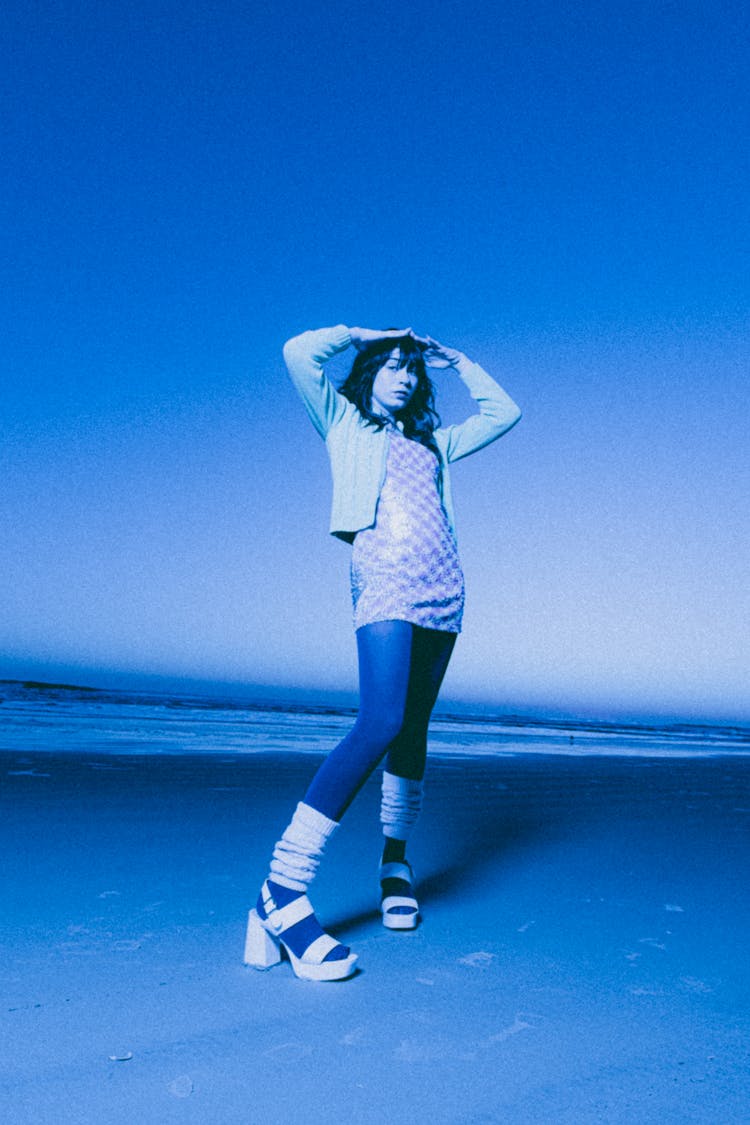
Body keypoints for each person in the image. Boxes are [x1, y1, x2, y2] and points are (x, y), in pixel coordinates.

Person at [243, 324, 521, 981]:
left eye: (409, 370)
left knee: (413, 727)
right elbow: (296, 352)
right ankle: (280, 890)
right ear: (368, 372)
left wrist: (453, 359)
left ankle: (395, 860)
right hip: (385, 579)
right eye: (389, 366)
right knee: (380, 720)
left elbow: (504, 412)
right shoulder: (343, 422)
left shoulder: (436, 444)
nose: (400, 376)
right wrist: (365, 334)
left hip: (444, 586)